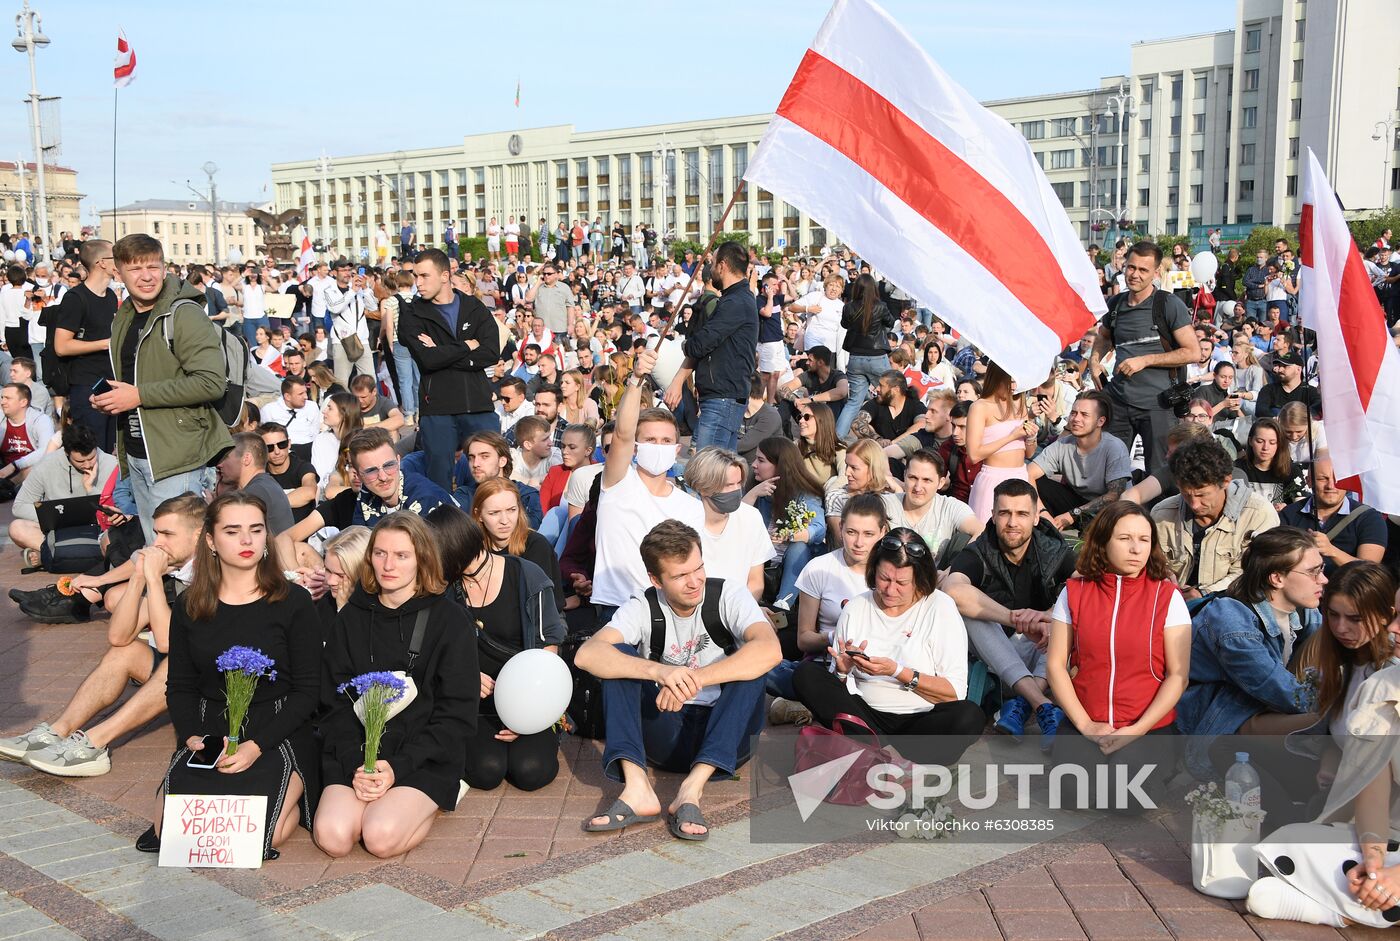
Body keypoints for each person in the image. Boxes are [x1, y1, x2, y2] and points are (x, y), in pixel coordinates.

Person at [143, 492, 321, 859]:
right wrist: (193, 737)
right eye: (232, 531)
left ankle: (292, 793)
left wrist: (256, 746)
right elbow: (180, 686)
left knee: (260, 836)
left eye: (256, 529)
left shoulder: (294, 601)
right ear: (210, 540)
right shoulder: (191, 604)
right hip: (211, 729)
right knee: (170, 834)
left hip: (277, 728)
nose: (246, 540)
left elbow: (307, 691)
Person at [577, 521, 781, 840]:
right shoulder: (642, 606)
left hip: (727, 736)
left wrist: (693, 680)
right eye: (680, 575)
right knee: (617, 658)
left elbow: (771, 649)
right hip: (664, 731)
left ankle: (691, 790)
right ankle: (637, 789)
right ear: (656, 579)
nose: (694, 581)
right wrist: (660, 672)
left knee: (752, 664)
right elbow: (586, 655)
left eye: (698, 568)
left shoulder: (728, 594)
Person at [0, 495, 204, 777]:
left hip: (226, 685)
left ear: (198, 535)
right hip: (192, 674)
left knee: (176, 665)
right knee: (125, 653)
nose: (157, 543)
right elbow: (118, 637)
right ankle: (57, 732)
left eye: (167, 534)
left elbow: (169, 644)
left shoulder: (215, 572)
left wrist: (154, 580)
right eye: (156, 533)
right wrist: (138, 578)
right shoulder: (176, 568)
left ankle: (94, 743)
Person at [315, 512, 477, 859]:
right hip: (357, 752)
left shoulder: (450, 621)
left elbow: (457, 715)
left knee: (379, 837)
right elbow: (333, 704)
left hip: (422, 756)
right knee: (333, 837)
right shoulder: (351, 618)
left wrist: (398, 767)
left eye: (402, 555)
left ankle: (431, 802)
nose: (388, 565)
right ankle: (385, 800)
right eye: (380, 553)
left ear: (422, 559)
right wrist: (355, 762)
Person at [792, 527, 986, 766]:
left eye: (901, 583)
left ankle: (875, 756)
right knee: (806, 674)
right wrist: (842, 671)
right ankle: (883, 755)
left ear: (920, 579)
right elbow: (840, 692)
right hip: (866, 719)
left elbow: (954, 693)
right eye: (883, 579)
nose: (890, 590)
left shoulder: (940, 606)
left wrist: (897, 671)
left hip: (921, 722)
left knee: (969, 716)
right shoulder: (856, 608)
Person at [1044, 501, 1190, 807]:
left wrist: (1137, 730)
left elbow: (1178, 675)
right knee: (1071, 794)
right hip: (1087, 720)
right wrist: (1085, 725)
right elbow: (1056, 665)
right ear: (1103, 542)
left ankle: (1162, 761)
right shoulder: (1074, 591)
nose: (1136, 548)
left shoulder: (1167, 597)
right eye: (1125, 539)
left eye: (1144, 539)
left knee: (1128, 798)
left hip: (1146, 725)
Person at [91, 235, 228, 543]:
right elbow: (135, 377)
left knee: (180, 550)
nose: (147, 276)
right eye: (135, 269)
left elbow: (211, 382)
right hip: (137, 450)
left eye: (153, 267)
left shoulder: (184, 313)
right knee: (157, 548)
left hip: (176, 453)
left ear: (165, 268)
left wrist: (138, 396)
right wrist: (111, 398)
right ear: (119, 273)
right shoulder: (125, 314)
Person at [427, 505, 564, 792]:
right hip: (473, 700)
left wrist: (527, 713)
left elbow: (548, 648)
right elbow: (435, 651)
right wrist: (463, 677)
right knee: (486, 771)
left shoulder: (525, 574)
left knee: (531, 771)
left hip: (529, 695)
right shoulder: (444, 589)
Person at [1175, 527, 1326, 785]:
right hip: (1218, 721)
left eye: (1322, 569)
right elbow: (1276, 688)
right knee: (1329, 723)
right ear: (1276, 578)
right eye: (1314, 572)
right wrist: (1339, 708)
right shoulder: (1230, 620)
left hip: (1265, 705)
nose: (1324, 580)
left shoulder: (1305, 609)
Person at [943, 479, 1076, 749]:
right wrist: (1014, 618)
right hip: (995, 656)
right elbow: (953, 589)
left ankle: (1023, 703)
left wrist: (1049, 616)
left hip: (1042, 653)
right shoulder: (979, 550)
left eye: (1022, 514)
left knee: (1069, 615)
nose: (1012, 522)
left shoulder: (1053, 550)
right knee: (970, 614)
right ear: (993, 515)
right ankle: (1042, 704)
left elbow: (1088, 587)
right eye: (1004, 513)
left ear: (1036, 518)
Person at [591, 347, 704, 620]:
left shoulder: (691, 507)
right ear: (635, 447)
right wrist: (636, 379)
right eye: (650, 440)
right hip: (618, 608)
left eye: (666, 441)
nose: (658, 446)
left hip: (669, 612)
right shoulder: (618, 483)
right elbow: (622, 432)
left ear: (677, 449)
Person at [767, 493, 890, 724]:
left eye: (868, 534)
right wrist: (836, 637)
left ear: (883, 531)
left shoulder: (892, 573)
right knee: (763, 667)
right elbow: (804, 639)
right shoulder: (819, 568)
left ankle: (813, 706)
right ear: (840, 528)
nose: (859, 543)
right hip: (825, 668)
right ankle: (819, 702)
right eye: (851, 532)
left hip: (879, 671)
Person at [1090, 241, 1198, 476]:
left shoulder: (1167, 304)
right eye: (1131, 267)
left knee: (1159, 476)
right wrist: (1094, 361)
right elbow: (1103, 337)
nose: (1135, 275)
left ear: (1156, 273)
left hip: (1158, 406)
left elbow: (1193, 352)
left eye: (1143, 270)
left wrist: (1145, 360)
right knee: (1109, 473)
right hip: (1119, 402)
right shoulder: (1115, 304)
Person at [398, 249, 500, 491]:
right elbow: (427, 360)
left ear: (445, 276)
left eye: (424, 276)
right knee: (439, 484)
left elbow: (490, 353)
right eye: (415, 276)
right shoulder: (412, 313)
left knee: (488, 483)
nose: (418, 283)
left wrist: (442, 352)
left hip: (478, 404)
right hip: (437, 408)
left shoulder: (474, 307)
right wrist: (466, 346)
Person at [1152, 438, 1280, 598]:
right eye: (1186, 494)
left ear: (1226, 481)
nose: (1195, 505)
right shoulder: (1162, 514)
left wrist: (1203, 593)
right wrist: (1162, 576)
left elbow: (1255, 573)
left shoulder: (1259, 514)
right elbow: (1153, 563)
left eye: (1202, 495)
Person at [663, 241, 757, 453]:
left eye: (713, 263)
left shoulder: (735, 302)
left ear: (722, 266)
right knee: (721, 467)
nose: (711, 268)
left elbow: (699, 345)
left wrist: (686, 343)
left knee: (709, 468)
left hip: (723, 397)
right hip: (721, 396)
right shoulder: (733, 299)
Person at [7, 424, 119, 567]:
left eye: (91, 458)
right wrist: (56, 518)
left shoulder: (112, 464)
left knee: (121, 535)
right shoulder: (46, 465)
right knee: (17, 528)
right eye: (80, 461)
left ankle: (51, 555)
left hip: (98, 532)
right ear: (66, 453)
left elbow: (115, 509)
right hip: (58, 531)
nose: (87, 465)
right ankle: (65, 553)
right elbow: (20, 506)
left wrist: (90, 489)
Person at [1026, 391, 1132, 529]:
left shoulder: (1114, 447)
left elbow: (1114, 494)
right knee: (1036, 482)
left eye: (1084, 415)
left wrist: (1073, 515)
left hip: (1111, 510)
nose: (1076, 419)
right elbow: (1028, 474)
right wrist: (1042, 512)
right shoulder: (1063, 444)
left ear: (1100, 421)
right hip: (1077, 501)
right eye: (1073, 413)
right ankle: (1048, 529)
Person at [745, 437, 827, 611]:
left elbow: (819, 529)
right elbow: (733, 525)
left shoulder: (804, 493)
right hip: (759, 562)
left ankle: (782, 605)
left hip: (788, 564)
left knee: (799, 546)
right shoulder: (755, 487)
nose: (753, 465)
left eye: (761, 460)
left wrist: (789, 535)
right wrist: (752, 495)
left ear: (780, 465)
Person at [52, 240, 118, 451]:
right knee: (92, 450)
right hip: (86, 385)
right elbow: (62, 346)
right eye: (115, 256)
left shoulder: (110, 296)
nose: (121, 260)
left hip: (110, 382)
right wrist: (105, 344)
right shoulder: (75, 298)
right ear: (101, 263)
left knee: (109, 452)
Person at [685, 447, 774, 601]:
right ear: (703, 488)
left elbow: (755, 581)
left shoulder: (751, 517)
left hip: (740, 607)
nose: (736, 490)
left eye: (739, 483)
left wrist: (744, 610)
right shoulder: (684, 524)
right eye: (728, 485)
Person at [1280, 454, 1388, 574]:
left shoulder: (1369, 518)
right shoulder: (1289, 514)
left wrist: (1332, 551)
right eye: (1322, 479)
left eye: (1338, 480)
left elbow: (1370, 572)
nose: (1331, 486)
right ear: (1308, 481)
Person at [469, 476, 564, 612]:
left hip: (537, 619)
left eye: (511, 510)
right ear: (479, 515)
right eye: (494, 513)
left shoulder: (535, 545)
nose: (504, 520)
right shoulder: (472, 548)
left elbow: (541, 606)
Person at [965, 363, 1036, 522]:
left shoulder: (1020, 404)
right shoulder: (979, 407)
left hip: (1021, 476)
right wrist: (1011, 436)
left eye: (1017, 382)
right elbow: (974, 455)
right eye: (1010, 381)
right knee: (987, 531)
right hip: (993, 478)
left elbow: (1029, 453)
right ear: (997, 377)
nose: (1014, 387)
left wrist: (1031, 436)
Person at [347, 427, 455, 526]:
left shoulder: (425, 497)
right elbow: (359, 537)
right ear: (358, 476)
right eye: (371, 471)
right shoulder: (366, 493)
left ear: (398, 461)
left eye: (389, 465)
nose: (383, 477)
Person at [887, 448, 981, 558]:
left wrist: (957, 565)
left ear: (941, 483)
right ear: (904, 476)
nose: (918, 487)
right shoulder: (885, 505)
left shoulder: (949, 507)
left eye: (926, 480)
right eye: (913, 478)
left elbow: (980, 532)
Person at [835, 274, 897, 440]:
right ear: (873, 289)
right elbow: (891, 322)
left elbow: (844, 324)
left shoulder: (849, 307)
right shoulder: (881, 306)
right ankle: (894, 436)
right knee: (891, 396)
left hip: (856, 358)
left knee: (854, 402)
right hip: (877, 357)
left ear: (856, 289)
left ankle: (837, 439)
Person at [451, 431, 544, 528]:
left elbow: (527, 532)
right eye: (472, 458)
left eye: (484, 456)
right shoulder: (465, 495)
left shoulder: (527, 496)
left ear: (502, 461)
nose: (475, 464)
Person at [822, 438, 903, 538]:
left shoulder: (888, 497)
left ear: (872, 469)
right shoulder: (837, 497)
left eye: (854, 468)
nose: (847, 473)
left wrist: (898, 493)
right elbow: (842, 539)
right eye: (847, 465)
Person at [258, 422, 318, 524]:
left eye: (282, 444)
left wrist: (269, 506)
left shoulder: (302, 467)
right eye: (269, 448)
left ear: (289, 443)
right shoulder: (259, 472)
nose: (277, 451)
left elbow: (310, 492)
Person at [1235, 417, 1297, 509]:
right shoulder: (1237, 468)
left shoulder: (1292, 470)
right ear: (1250, 441)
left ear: (1279, 444)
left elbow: (1301, 505)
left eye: (1272, 442)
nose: (1265, 447)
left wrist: (1287, 509)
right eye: (1260, 441)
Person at [0, 381, 53, 485]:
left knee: (36, 467)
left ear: (23, 402)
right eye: (2, 398)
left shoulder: (41, 420)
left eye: (8, 398)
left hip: (33, 474)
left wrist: (15, 465)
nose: (2, 402)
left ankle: (9, 486)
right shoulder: (1, 419)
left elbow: (47, 450)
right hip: (3, 470)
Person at [260, 377, 323, 464]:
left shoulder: (312, 407)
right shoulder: (269, 410)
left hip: (308, 451)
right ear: (287, 397)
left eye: (305, 392)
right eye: (300, 394)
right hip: (282, 450)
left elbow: (315, 433)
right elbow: (265, 437)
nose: (305, 397)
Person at [1257, 351, 1321, 418]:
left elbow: (1317, 407)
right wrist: (1277, 419)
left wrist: (1298, 417)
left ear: (1298, 369)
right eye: (1279, 366)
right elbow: (1260, 410)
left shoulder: (1309, 390)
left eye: (1285, 366)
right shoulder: (1268, 389)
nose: (1280, 370)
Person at [794, 399, 845, 484]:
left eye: (807, 417)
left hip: (828, 491)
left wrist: (831, 491)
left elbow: (845, 477)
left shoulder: (837, 449)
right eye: (800, 417)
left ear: (821, 420)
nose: (801, 421)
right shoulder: (796, 446)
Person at [350, 374, 405, 439]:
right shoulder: (350, 405)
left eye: (363, 397)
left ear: (374, 391)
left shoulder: (384, 402)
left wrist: (367, 428)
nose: (360, 400)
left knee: (393, 432)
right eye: (356, 397)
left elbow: (399, 420)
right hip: (362, 441)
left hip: (383, 439)